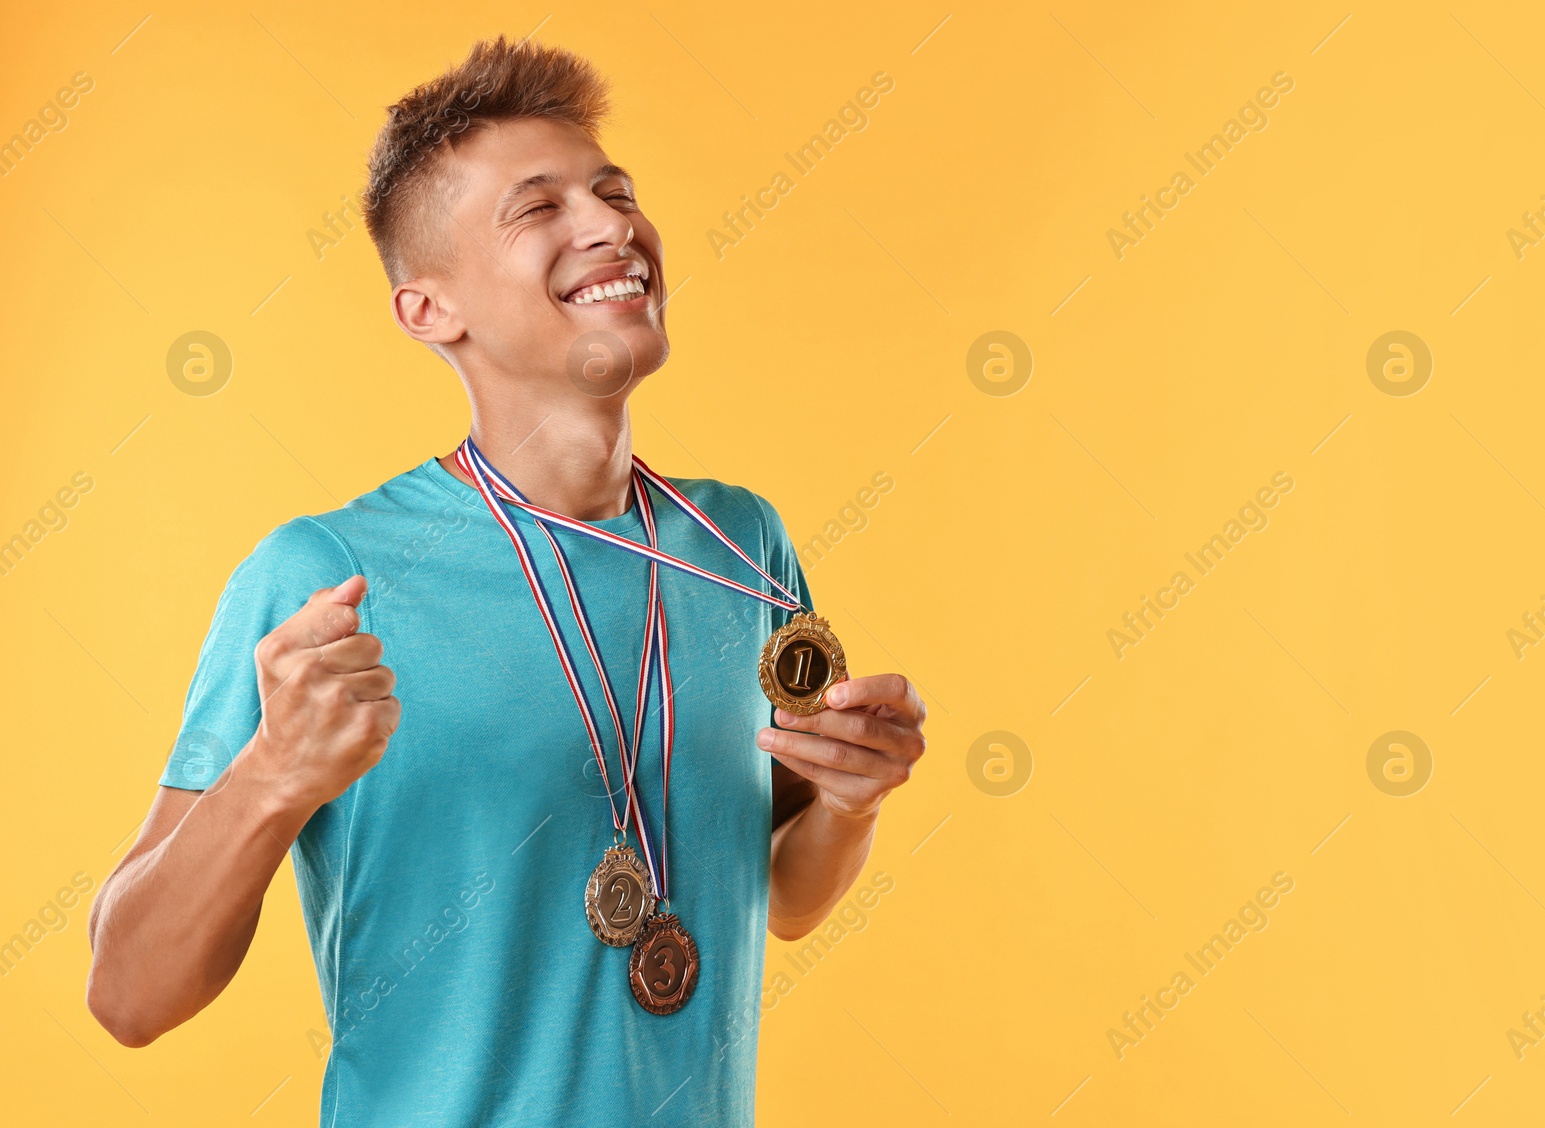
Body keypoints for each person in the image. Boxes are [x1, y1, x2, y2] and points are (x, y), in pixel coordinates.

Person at [84, 34, 927, 1128]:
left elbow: (783, 895)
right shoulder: (325, 578)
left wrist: (854, 803)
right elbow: (129, 998)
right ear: (431, 311)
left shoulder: (741, 544)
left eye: (614, 191)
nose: (609, 223)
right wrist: (272, 776)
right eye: (538, 209)